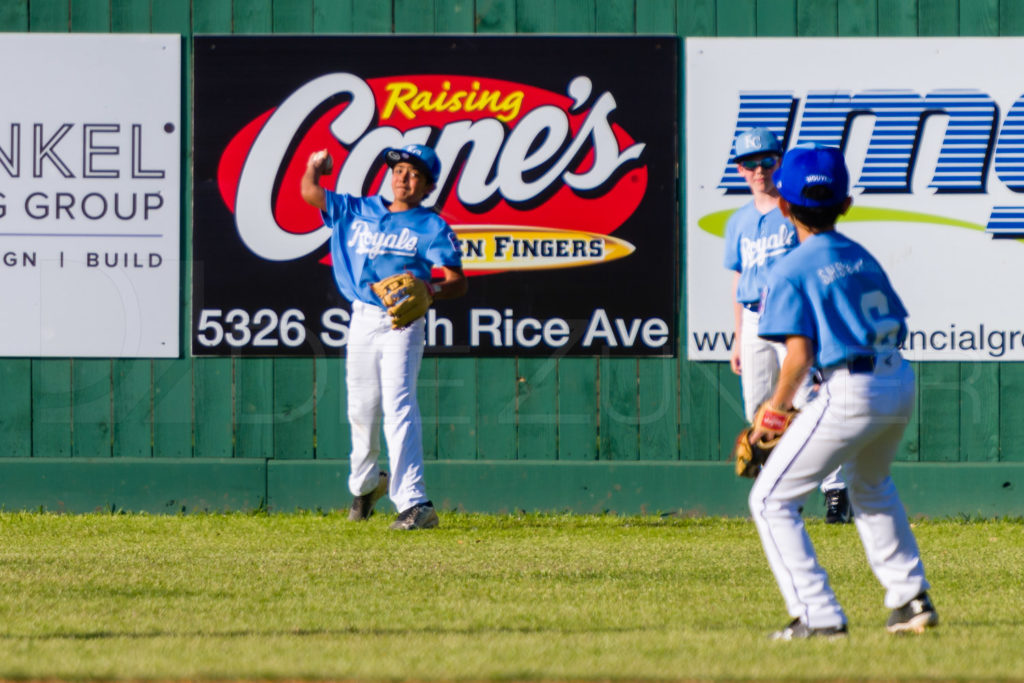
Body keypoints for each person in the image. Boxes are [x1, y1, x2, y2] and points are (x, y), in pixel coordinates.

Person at [748, 143, 938, 639]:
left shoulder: (791, 266)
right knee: (871, 486)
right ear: (846, 203)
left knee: (771, 500)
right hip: (897, 378)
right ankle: (910, 599)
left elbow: (798, 356)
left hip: (852, 387)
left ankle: (818, 615)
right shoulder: (860, 256)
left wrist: (771, 417)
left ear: (784, 206)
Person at [301, 143, 467, 530]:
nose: (402, 178)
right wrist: (314, 166)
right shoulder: (358, 210)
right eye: (398, 170)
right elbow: (310, 193)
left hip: (402, 321)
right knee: (361, 408)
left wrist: (432, 291)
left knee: (398, 404)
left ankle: (415, 503)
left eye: (413, 174)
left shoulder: (432, 226)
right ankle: (366, 486)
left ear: (427, 187)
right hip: (362, 316)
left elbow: (457, 282)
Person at [723, 127, 850, 523]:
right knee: (760, 410)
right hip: (756, 315)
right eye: (749, 163)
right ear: (740, 171)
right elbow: (739, 277)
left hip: (793, 312)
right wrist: (738, 336)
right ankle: (780, 492)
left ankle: (835, 490)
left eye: (766, 161)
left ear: (779, 163)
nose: (758, 170)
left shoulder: (794, 209)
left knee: (809, 401)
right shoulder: (739, 221)